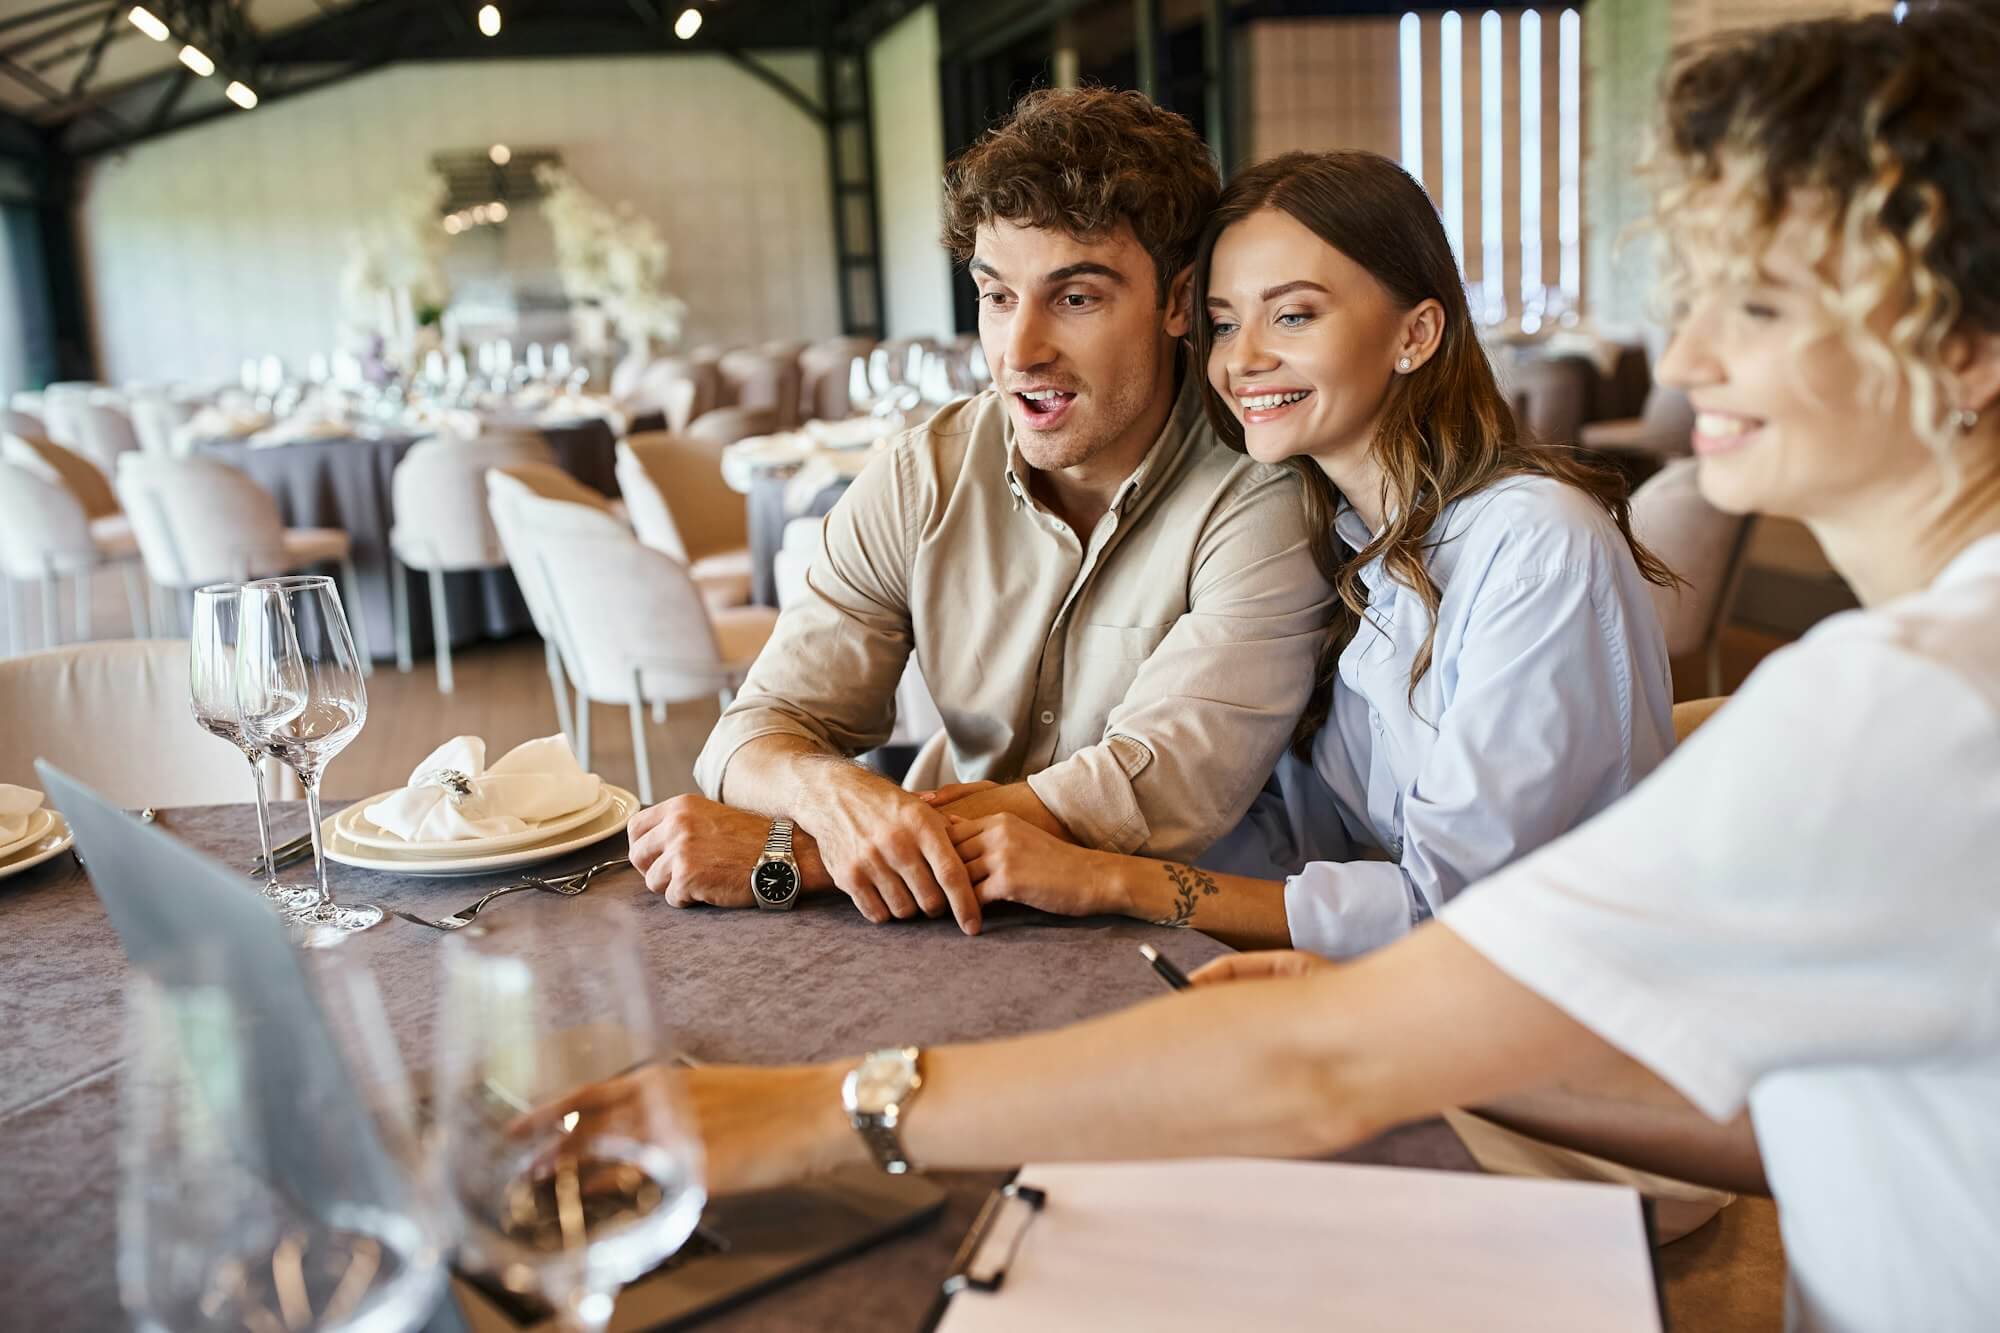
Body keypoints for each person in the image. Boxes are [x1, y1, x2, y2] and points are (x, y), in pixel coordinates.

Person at [578, 9, 2000, 1329]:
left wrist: (823, 1106)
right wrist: (1308, 980)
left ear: (1972, 349)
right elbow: (1797, 1108)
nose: (1683, 354)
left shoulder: (1894, 701)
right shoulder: (1375, 543)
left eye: (1759, 304)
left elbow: (1333, 1013)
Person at [626, 89, 1334, 935]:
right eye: (998, 296)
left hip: (1176, 937)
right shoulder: (920, 472)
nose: (1020, 350)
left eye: (1076, 298)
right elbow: (753, 731)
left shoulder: (1263, 495)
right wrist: (837, 799)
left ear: (1179, 302)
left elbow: (1151, 787)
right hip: (944, 923)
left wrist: (798, 852)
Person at [946, 150, 1676, 956]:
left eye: (1292, 315)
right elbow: (1295, 829)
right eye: (1223, 322)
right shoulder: (1336, 536)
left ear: (1416, 333)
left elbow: (1453, 907)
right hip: (1389, 983)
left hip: (1541, 1012)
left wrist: (1111, 881)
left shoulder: (1535, 547)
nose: (1242, 358)